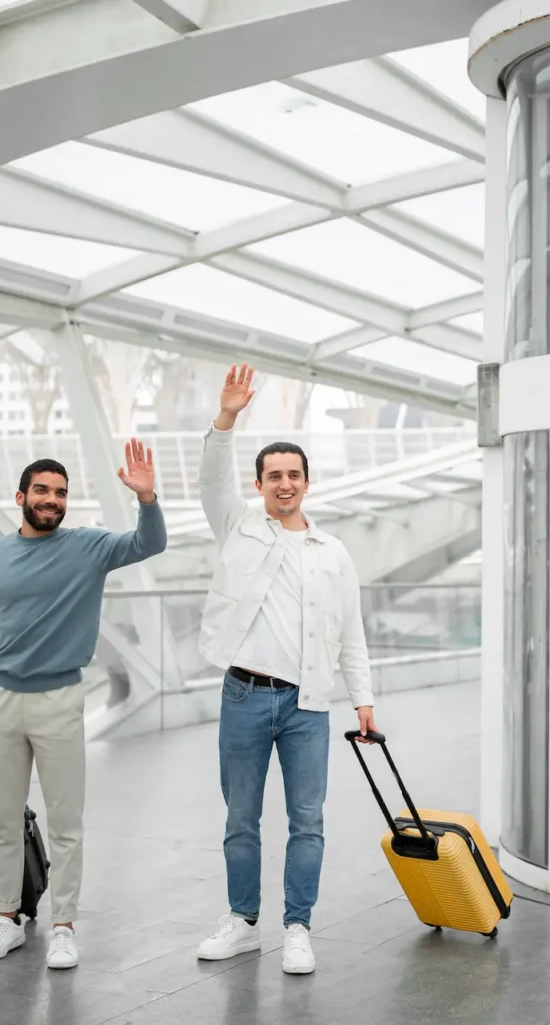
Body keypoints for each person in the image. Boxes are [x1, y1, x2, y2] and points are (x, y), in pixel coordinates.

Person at [0, 443, 166, 970]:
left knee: (66, 822)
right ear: (21, 496)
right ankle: (6, 918)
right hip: (1, 699)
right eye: (42, 490)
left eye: (60, 493)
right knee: (2, 819)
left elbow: (148, 543)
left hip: (61, 700)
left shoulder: (88, 547)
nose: (52, 499)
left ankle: (63, 925)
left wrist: (147, 497)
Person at [193, 363, 376, 976]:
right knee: (240, 817)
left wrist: (364, 700)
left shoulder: (333, 553)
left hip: (308, 706)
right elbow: (211, 478)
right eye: (274, 475)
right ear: (260, 483)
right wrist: (227, 417)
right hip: (244, 695)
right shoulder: (237, 525)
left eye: (294, 474)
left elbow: (351, 631)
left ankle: (297, 926)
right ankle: (243, 922)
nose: (285, 484)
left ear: (307, 482)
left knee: (308, 822)